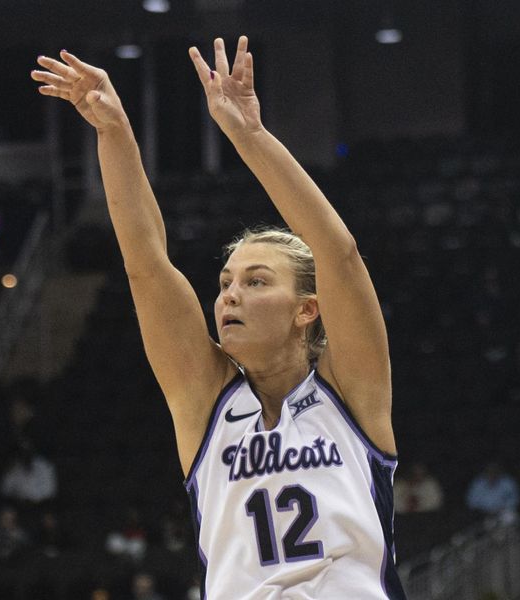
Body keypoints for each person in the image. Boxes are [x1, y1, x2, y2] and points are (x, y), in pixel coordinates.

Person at [32, 35, 405, 599]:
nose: (229, 296)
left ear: (308, 309)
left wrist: (249, 136)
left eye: (256, 282)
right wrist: (114, 133)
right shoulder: (207, 403)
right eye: (226, 283)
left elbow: (339, 254)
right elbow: (147, 266)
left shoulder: (350, 390)